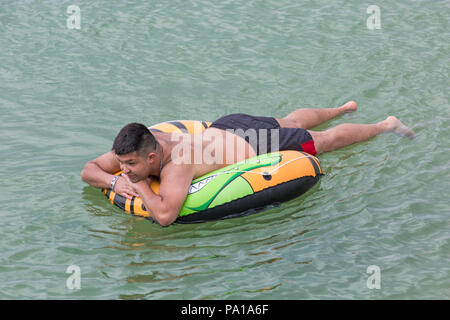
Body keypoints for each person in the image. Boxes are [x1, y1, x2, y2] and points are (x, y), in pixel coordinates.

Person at [81, 101, 414, 226]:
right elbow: (89, 169)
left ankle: (386, 125)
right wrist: (111, 182)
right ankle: (341, 108)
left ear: (151, 157)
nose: (124, 169)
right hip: (224, 126)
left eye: (129, 165)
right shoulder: (140, 142)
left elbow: (166, 216)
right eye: (122, 164)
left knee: (322, 142)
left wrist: (138, 183)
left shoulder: (177, 161)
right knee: (289, 120)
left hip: (255, 145)